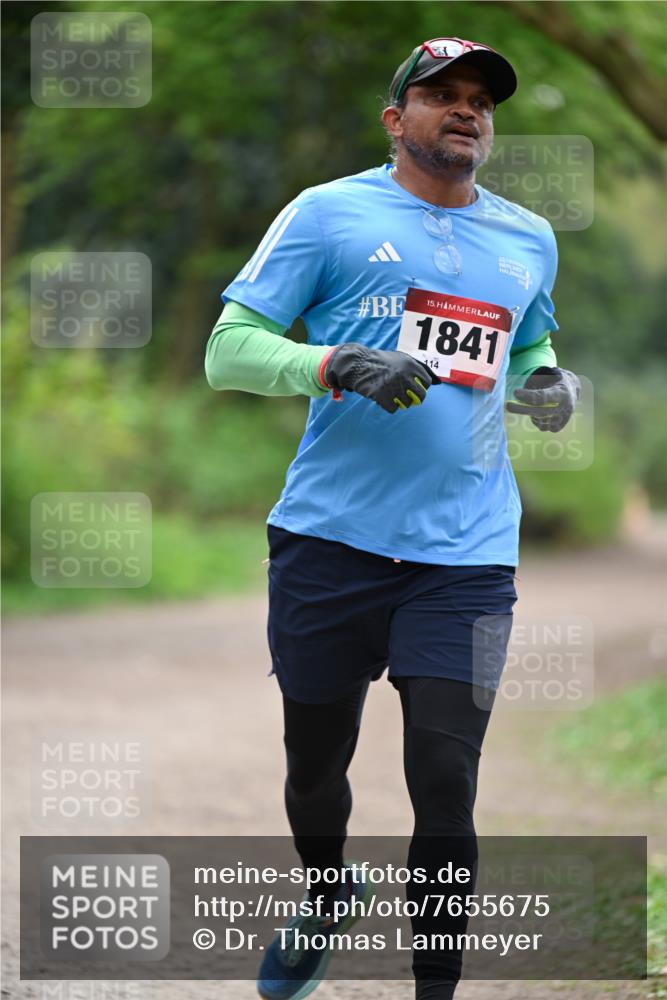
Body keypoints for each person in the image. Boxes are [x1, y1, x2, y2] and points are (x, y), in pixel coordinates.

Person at [205, 35, 580, 1000]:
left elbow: (531, 337)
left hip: (466, 554)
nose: (466, 111)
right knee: (315, 766)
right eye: (441, 95)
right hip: (330, 540)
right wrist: (330, 364)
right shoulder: (327, 215)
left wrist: (545, 382)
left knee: (447, 786)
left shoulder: (527, 236)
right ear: (394, 118)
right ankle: (327, 889)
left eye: (480, 101)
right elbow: (229, 351)